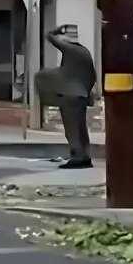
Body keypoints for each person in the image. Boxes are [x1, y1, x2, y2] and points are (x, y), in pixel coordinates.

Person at [41, 24, 97, 169]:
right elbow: (92, 75)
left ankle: (77, 157)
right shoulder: (85, 51)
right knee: (81, 128)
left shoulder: (70, 49)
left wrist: (56, 30)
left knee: (72, 129)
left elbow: (49, 36)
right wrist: (86, 90)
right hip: (81, 95)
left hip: (70, 95)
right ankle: (85, 157)